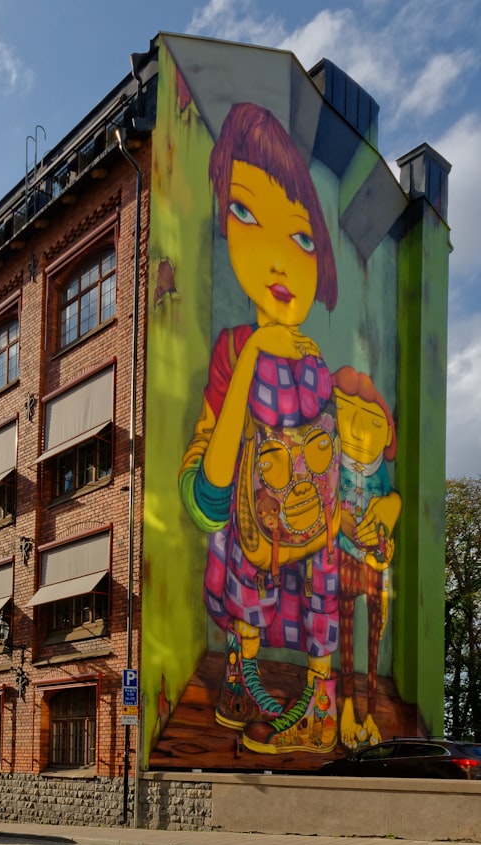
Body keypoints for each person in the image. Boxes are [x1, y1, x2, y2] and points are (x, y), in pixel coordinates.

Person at [179, 101, 342, 755]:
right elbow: (209, 494)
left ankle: (321, 705)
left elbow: (330, 462)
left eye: (301, 239)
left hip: (307, 517)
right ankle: (242, 682)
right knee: (237, 545)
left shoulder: (317, 363)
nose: (280, 263)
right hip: (252, 514)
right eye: (247, 214)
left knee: (319, 566)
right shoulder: (232, 351)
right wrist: (249, 357)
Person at [332, 366, 400, 750]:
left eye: (371, 421)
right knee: (345, 633)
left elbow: (388, 510)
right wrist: (337, 516)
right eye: (347, 413)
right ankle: (346, 705)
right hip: (342, 559)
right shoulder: (332, 461)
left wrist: (391, 513)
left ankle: (371, 710)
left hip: (372, 564)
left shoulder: (381, 476)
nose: (357, 428)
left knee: (373, 635)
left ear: (387, 434)